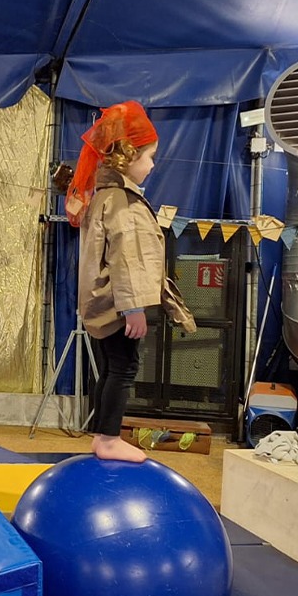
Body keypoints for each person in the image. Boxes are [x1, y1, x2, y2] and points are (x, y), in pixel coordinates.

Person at [67, 101, 194, 463]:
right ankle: (108, 437)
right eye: (150, 156)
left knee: (110, 367)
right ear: (127, 157)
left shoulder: (104, 197)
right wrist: (132, 307)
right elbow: (126, 259)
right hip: (118, 304)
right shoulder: (122, 202)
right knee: (123, 367)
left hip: (105, 302)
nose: (153, 165)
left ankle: (101, 435)